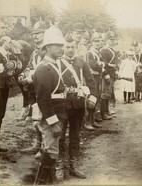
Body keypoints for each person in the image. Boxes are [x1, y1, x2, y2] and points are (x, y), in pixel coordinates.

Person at [58, 33, 98, 180]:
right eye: (67, 47)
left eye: (72, 47)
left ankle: (74, 166)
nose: (69, 50)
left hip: (78, 104)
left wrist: (93, 97)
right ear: (63, 47)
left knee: (75, 136)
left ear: (76, 47)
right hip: (61, 105)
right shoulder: (57, 63)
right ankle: (59, 166)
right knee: (60, 136)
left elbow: (91, 81)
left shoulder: (81, 62)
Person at [33, 26, 67, 184]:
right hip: (49, 119)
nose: (61, 49)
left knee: (52, 151)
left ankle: (49, 181)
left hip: (56, 115)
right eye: (57, 46)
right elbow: (43, 100)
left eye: (62, 45)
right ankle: (42, 182)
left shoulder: (52, 66)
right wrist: (53, 123)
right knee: (50, 152)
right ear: (47, 48)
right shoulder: (44, 69)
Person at [19, 21, 47, 158]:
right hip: (35, 89)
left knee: (45, 117)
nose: (36, 36)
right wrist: (23, 75)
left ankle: (44, 147)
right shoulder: (35, 52)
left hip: (46, 88)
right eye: (34, 34)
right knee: (36, 116)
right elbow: (30, 66)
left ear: (45, 34)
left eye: (39, 33)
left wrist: (31, 76)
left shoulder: (47, 50)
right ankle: (38, 143)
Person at [86, 32, 106, 125]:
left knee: (97, 96)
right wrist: (101, 65)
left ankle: (93, 119)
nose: (98, 43)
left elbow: (103, 62)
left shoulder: (98, 53)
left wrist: (101, 64)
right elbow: (93, 65)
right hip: (92, 77)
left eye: (99, 41)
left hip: (98, 76)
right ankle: (89, 121)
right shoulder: (90, 52)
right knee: (92, 97)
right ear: (92, 42)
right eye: (96, 41)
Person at [100, 31, 120, 116]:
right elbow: (104, 64)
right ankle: (104, 112)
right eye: (110, 39)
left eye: (113, 39)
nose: (112, 41)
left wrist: (116, 72)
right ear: (106, 40)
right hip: (107, 74)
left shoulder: (113, 50)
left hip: (112, 74)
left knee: (109, 92)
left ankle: (108, 110)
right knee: (105, 93)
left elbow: (115, 63)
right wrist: (107, 74)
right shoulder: (104, 50)